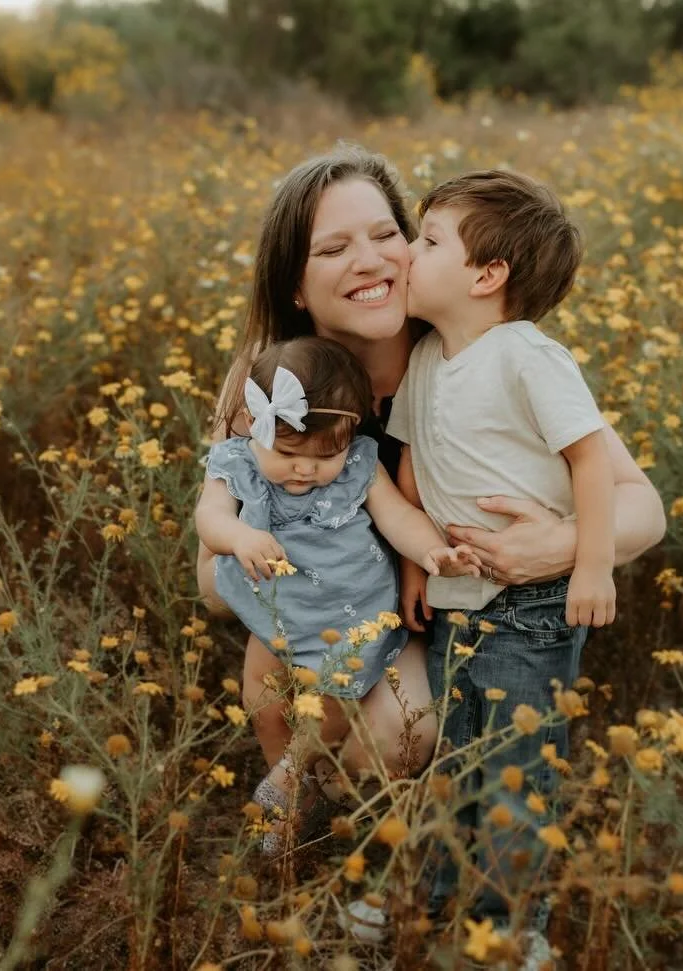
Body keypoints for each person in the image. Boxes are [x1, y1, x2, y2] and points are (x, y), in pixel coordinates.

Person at [193, 144, 666, 851]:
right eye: (334, 249)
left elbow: (642, 505)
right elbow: (210, 583)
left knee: (399, 730)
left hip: (449, 615)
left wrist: (562, 544)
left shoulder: (469, 347)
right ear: (295, 285)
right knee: (282, 680)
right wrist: (297, 564)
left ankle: (366, 823)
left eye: (387, 234)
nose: (372, 260)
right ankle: (299, 812)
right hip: (318, 619)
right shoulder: (271, 385)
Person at [387, 168, 615, 956]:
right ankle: (438, 909)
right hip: (456, 597)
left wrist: (593, 564)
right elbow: (412, 470)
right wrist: (415, 567)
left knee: (517, 774)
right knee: (457, 765)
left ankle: (510, 932)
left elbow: (590, 459)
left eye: (428, 240)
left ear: (487, 276)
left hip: (536, 605)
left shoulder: (526, 355)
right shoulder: (427, 358)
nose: (408, 252)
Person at [195, 337, 478, 852]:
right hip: (275, 613)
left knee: (330, 707)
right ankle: (291, 787)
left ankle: (289, 780)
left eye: (326, 454)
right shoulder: (237, 463)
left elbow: (398, 517)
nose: (306, 469)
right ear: (254, 424)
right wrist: (237, 536)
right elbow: (209, 518)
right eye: (288, 454)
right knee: (263, 702)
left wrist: (432, 552)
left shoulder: (359, 466)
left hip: (352, 619)